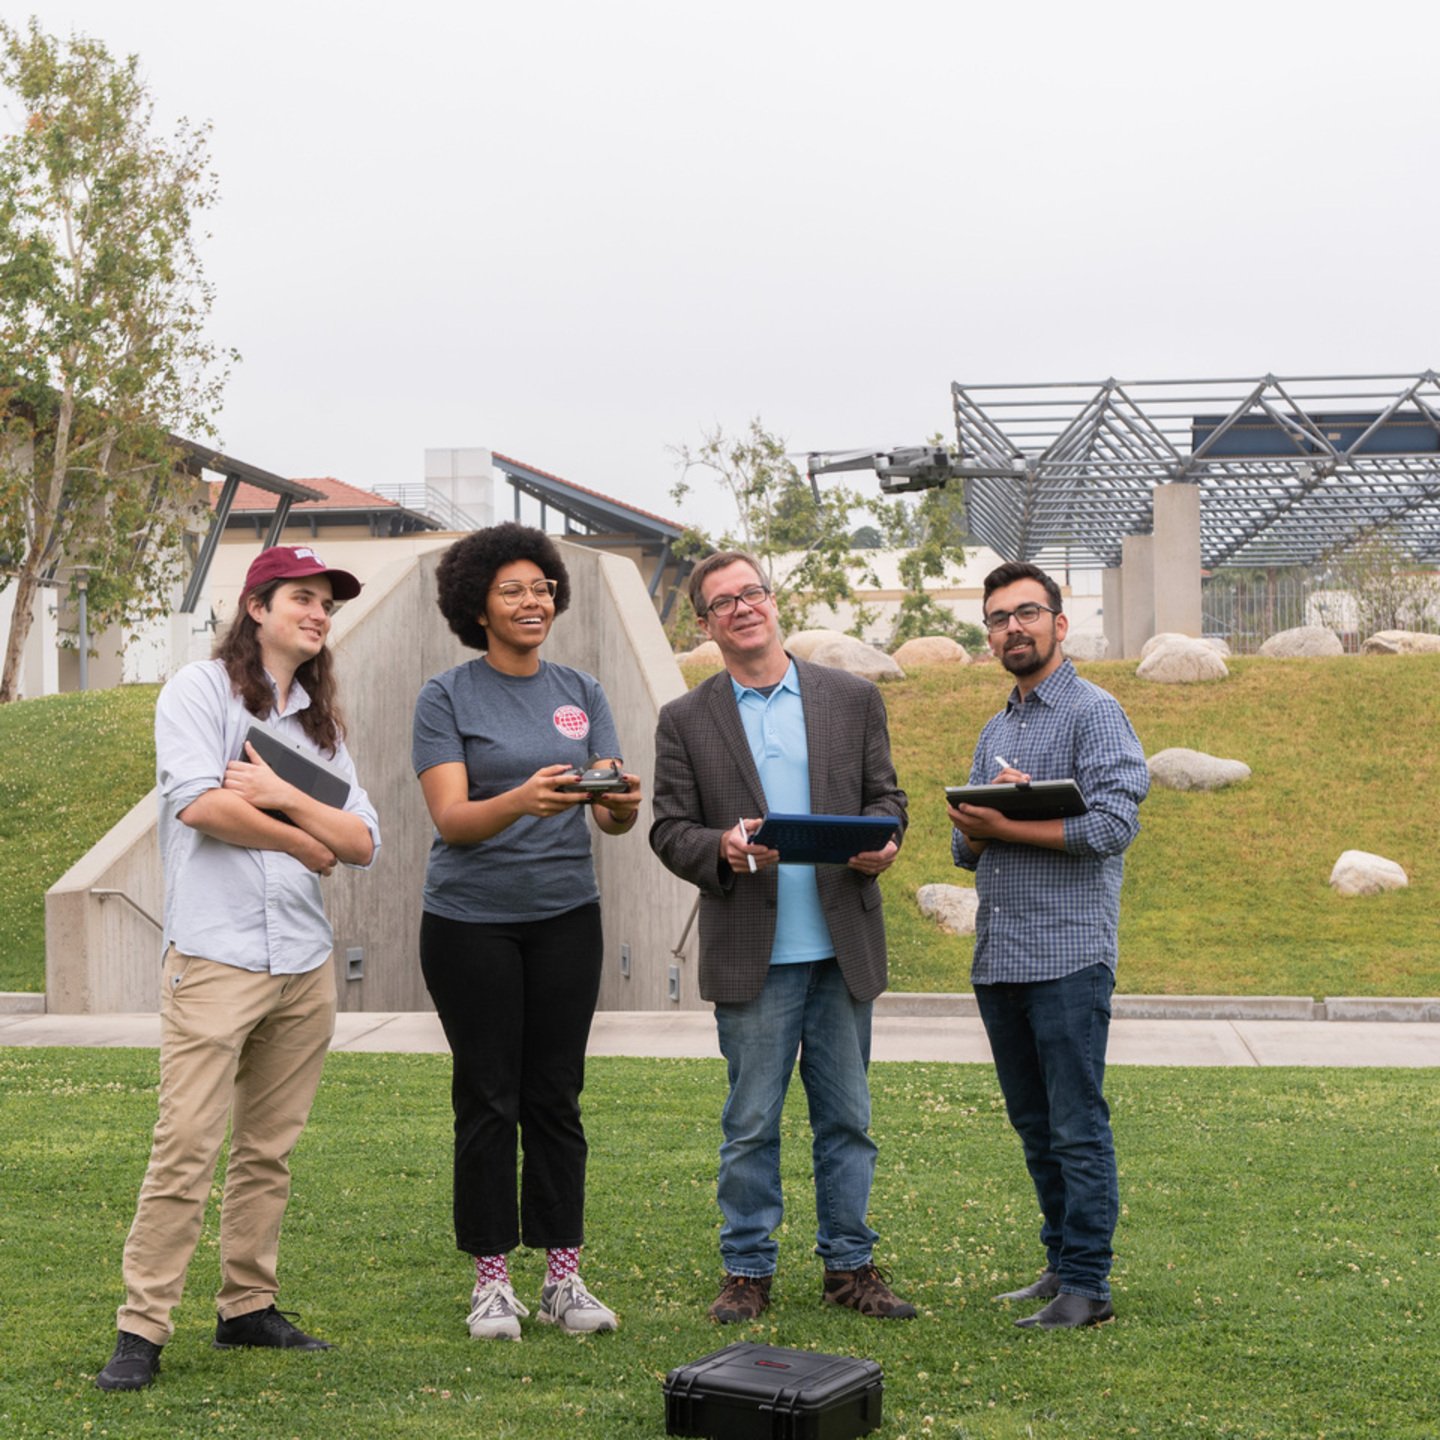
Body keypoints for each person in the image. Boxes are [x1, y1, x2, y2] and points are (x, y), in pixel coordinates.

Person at [97, 545, 381, 1392]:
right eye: (302, 597)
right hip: (215, 957)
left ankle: (246, 1309)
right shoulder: (198, 691)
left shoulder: (321, 724)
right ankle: (142, 1329)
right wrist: (304, 835)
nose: (318, 613)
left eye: (327, 604)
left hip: (303, 961)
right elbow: (202, 802)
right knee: (184, 1145)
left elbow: (363, 840)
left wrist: (286, 798)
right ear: (256, 606)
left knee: (269, 1151)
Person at [650, 550, 914, 1324]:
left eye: (752, 593)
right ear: (705, 625)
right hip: (751, 952)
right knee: (750, 1124)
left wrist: (887, 840)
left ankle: (850, 1267)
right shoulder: (685, 720)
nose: (742, 608)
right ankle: (747, 1270)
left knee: (848, 1121)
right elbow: (668, 830)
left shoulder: (851, 698)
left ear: (773, 602)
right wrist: (722, 851)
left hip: (841, 945)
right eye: (722, 602)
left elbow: (885, 797)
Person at [412, 523, 642, 1341]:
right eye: (513, 590)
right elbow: (453, 819)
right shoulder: (445, 696)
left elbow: (612, 820)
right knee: (487, 1098)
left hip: (565, 917)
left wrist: (620, 803)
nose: (532, 601)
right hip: (470, 923)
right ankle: (491, 1281)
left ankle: (564, 1279)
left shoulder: (581, 689)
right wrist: (523, 799)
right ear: (477, 606)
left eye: (541, 587)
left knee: (556, 1095)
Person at [948, 560, 1148, 1330]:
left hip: (1069, 957)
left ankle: (1088, 1286)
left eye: (1027, 613)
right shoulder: (995, 729)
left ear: (1060, 624)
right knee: (1036, 1128)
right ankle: (1061, 1264)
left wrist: (1009, 824)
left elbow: (1111, 827)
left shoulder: (1096, 713)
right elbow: (969, 853)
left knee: (1077, 1125)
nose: (1012, 628)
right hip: (1000, 957)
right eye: (998, 618)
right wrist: (974, 828)